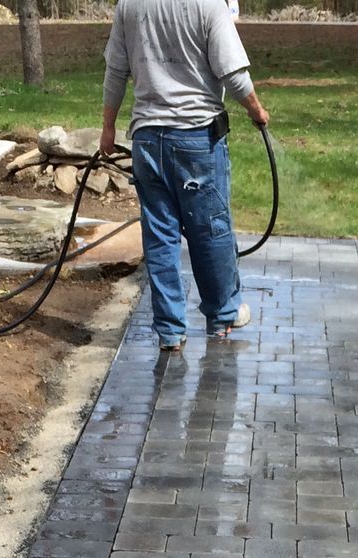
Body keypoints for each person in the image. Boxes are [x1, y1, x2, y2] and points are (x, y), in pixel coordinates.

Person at [99, 0, 270, 352]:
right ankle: (223, 316)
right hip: (196, 139)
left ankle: (170, 332)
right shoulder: (208, 5)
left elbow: (116, 72)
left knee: (160, 237)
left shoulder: (129, 6)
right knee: (211, 229)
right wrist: (257, 110)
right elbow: (234, 74)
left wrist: (107, 128)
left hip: (147, 139)